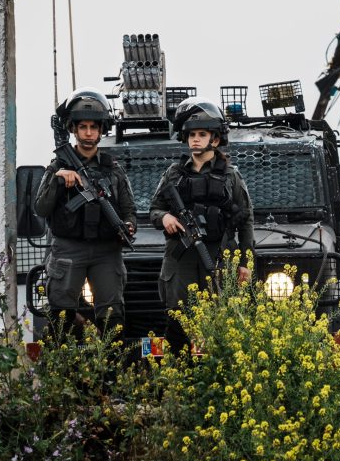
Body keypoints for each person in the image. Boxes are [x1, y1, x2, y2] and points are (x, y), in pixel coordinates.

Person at [149, 97, 254, 357]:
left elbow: (247, 219)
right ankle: (175, 379)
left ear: (215, 139)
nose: (196, 139)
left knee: (220, 320)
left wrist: (244, 262)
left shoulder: (231, 175)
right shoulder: (173, 174)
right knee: (177, 322)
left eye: (202, 134)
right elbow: (154, 209)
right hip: (181, 258)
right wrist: (165, 218)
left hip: (218, 255)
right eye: (191, 134)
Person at [35, 88, 137, 337]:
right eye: (83, 127)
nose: (89, 133)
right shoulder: (59, 166)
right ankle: (65, 371)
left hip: (106, 251)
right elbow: (41, 208)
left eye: (94, 127)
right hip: (69, 249)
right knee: (61, 316)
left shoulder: (113, 170)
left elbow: (128, 208)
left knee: (112, 319)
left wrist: (129, 224)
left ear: (102, 130)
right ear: (73, 129)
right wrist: (58, 180)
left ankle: (113, 373)